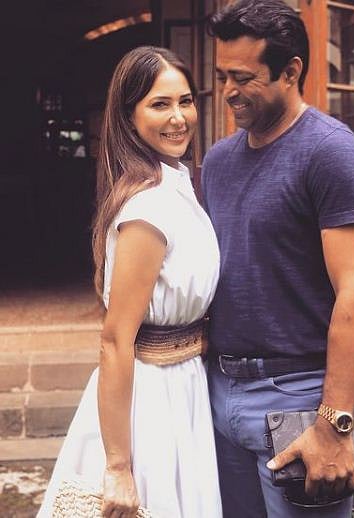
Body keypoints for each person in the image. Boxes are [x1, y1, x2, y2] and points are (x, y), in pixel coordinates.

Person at [201, 1, 354, 517]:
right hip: (220, 393)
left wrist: (334, 423)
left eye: (244, 77)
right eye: (222, 76)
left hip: (298, 398)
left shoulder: (331, 153)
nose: (229, 90)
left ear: (291, 71)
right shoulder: (217, 162)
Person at [38, 46, 222, 518]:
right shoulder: (148, 208)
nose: (178, 117)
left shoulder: (177, 187)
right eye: (160, 104)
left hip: (186, 385)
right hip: (151, 401)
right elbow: (116, 339)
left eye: (185, 101)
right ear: (129, 117)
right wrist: (119, 465)